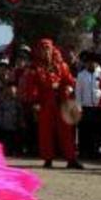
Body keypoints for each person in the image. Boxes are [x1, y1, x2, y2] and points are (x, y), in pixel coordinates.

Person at [21, 40, 80, 170]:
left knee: (66, 131)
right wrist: (35, 102)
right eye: (43, 49)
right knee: (45, 131)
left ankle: (71, 158)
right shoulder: (34, 68)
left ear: (52, 49)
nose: (46, 51)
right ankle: (48, 158)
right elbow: (32, 86)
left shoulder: (62, 65)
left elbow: (69, 80)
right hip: (45, 101)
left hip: (61, 100)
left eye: (48, 48)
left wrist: (69, 89)